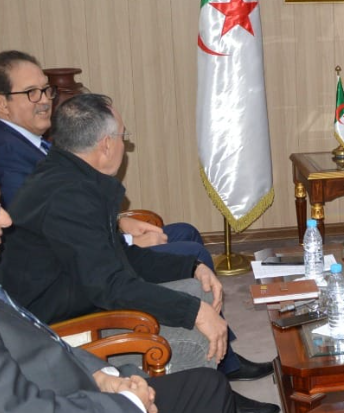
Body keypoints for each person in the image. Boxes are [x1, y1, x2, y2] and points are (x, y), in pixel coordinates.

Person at [0, 202, 289, 413]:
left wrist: (103, 374)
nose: (6, 218)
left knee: (207, 388)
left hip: (65, 409)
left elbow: (44, 342)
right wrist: (125, 405)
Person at [0, 94, 277, 413]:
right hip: (60, 325)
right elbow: (110, 286)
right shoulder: (68, 197)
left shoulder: (71, 177)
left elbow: (121, 259)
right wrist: (193, 313)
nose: (124, 145)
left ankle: (214, 404)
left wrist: (192, 266)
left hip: (80, 296)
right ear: (106, 145)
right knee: (194, 328)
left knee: (197, 289)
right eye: (123, 136)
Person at [0, 50, 214, 270]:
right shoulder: (8, 155)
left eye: (46, 89)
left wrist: (118, 223)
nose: (45, 100)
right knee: (193, 254)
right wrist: (128, 242)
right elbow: (50, 234)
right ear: (3, 103)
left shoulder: (30, 143)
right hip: (75, 269)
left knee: (186, 232)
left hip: (92, 244)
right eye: (31, 92)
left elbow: (71, 208)